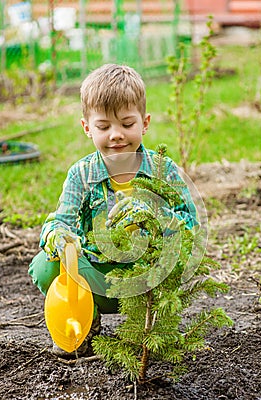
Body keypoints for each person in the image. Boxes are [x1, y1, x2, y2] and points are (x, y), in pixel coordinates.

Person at [29, 63, 198, 358]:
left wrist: (155, 216)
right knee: (47, 265)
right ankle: (84, 320)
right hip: (96, 273)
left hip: (146, 277)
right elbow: (61, 220)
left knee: (177, 255)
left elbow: (189, 222)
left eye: (127, 124)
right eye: (104, 127)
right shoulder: (81, 175)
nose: (116, 135)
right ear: (87, 128)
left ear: (145, 123)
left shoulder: (164, 171)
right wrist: (58, 236)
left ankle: (150, 328)